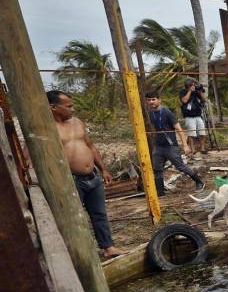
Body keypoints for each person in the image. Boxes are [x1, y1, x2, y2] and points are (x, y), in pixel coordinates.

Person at [47, 90, 128, 258]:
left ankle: (108, 247)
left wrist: (103, 168)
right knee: (74, 218)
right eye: (69, 106)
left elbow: (90, 145)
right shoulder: (47, 128)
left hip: (92, 177)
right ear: (53, 107)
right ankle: (81, 254)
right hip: (71, 180)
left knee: (99, 214)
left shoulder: (76, 122)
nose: (73, 109)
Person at [146, 90, 204, 196]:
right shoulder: (151, 114)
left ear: (159, 100)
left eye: (153, 99)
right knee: (157, 169)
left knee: (180, 166)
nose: (151, 102)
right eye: (149, 100)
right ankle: (160, 193)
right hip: (158, 146)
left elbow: (178, 128)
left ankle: (199, 182)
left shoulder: (167, 112)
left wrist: (185, 145)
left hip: (170, 146)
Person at [179, 77, 208, 156]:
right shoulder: (183, 92)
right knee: (191, 134)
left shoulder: (196, 92)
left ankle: (202, 148)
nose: (193, 87)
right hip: (189, 117)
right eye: (192, 85)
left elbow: (205, 100)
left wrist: (200, 91)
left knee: (202, 132)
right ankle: (193, 150)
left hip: (198, 116)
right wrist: (189, 91)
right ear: (188, 86)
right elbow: (184, 100)